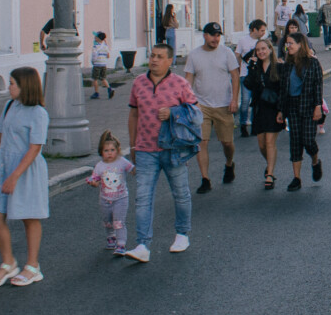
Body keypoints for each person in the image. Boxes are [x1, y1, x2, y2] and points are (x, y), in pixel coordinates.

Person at [124, 43, 199, 262]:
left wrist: (174, 112)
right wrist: (133, 146)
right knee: (142, 198)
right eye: (152, 55)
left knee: (181, 193)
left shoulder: (180, 84)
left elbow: (195, 114)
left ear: (169, 61)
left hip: (173, 149)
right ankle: (142, 245)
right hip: (146, 149)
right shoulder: (138, 83)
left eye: (159, 56)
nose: (154, 60)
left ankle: (182, 234)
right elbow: (133, 115)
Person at [0, 66, 51, 287]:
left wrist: (15, 176)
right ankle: (8, 262)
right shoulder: (9, 105)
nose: (9, 87)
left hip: (25, 170)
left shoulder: (39, 113)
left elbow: (34, 148)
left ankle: (32, 265)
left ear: (24, 86)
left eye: (12, 83)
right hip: (3, 165)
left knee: (29, 216)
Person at [184, 22, 240, 194]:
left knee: (227, 143)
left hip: (223, 104)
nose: (216, 39)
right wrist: (189, 103)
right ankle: (205, 179)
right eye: (212, 35)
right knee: (202, 142)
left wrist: (234, 100)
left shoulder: (226, 53)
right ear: (205, 35)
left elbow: (235, 76)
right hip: (202, 106)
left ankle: (229, 164)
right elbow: (188, 80)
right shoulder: (194, 55)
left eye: (218, 35)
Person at [280, 32, 325, 191]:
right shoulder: (287, 65)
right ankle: (296, 178)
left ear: (300, 44)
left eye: (291, 43)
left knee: (308, 140)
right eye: (287, 43)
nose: (288, 46)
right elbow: (283, 89)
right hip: (292, 106)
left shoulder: (312, 63)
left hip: (308, 105)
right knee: (295, 141)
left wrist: (318, 106)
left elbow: (318, 86)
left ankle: (315, 161)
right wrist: (281, 111)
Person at [244, 37, 285, 189]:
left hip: (274, 108)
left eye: (263, 49)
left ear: (269, 50)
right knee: (261, 144)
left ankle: (270, 174)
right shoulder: (255, 67)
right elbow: (248, 84)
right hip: (260, 108)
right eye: (258, 50)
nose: (261, 52)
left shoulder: (279, 67)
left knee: (269, 142)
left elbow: (282, 89)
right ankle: (270, 164)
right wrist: (251, 67)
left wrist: (281, 110)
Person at [88, 131, 134, 257]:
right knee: (107, 221)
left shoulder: (122, 162)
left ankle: (121, 244)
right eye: (106, 150)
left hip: (121, 198)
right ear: (101, 152)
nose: (109, 153)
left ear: (118, 150)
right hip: (104, 199)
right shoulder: (100, 166)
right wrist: (93, 183)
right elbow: (96, 180)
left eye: (112, 150)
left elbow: (132, 170)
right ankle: (111, 236)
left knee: (119, 221)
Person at [236, 19, 267, 138]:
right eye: (262, 30)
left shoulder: (262, 41)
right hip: (245, 74)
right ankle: (243, 124)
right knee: (245, 101)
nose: (263, 33)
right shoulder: (243, 40)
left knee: (256, 101)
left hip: (258, 75)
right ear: (255, 30)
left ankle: (255, 125)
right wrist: (238, 69)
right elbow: (238, 55)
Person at [90, 32, 114, 100]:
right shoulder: (105, 46)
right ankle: (109, 89)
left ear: (98, 38)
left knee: (95, 79)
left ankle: (96, 93)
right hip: (103, 64)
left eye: (96, 37)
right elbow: (108, 56)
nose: (94, 38)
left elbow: (94, 55)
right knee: (103, 78)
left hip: (97, 64)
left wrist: (93, 61)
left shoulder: (95, 46)